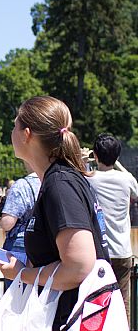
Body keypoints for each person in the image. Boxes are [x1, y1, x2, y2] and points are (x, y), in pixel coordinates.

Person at [0, 96, 110, 331]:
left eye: (14, 125)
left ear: (26, 134)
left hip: (72, 317)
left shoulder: (60, 184)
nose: (11, 131)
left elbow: (78, 267)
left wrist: (23, 274)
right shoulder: (58, 180)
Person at [87, 134, 138, 320]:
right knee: (123, 301)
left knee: (96, 301)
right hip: (122, 250)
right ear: (117, 156)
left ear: (96, 155)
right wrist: (117, 163)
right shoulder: (126, 180)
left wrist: (84, 160)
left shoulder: (89, 179)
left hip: (98, 251)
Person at [0, 161, 41, 288]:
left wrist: (1, 220)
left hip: (21, 244)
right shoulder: (54, 181)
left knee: (15, 296)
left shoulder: (22, 185)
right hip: (46, 243)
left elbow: (7, 223)